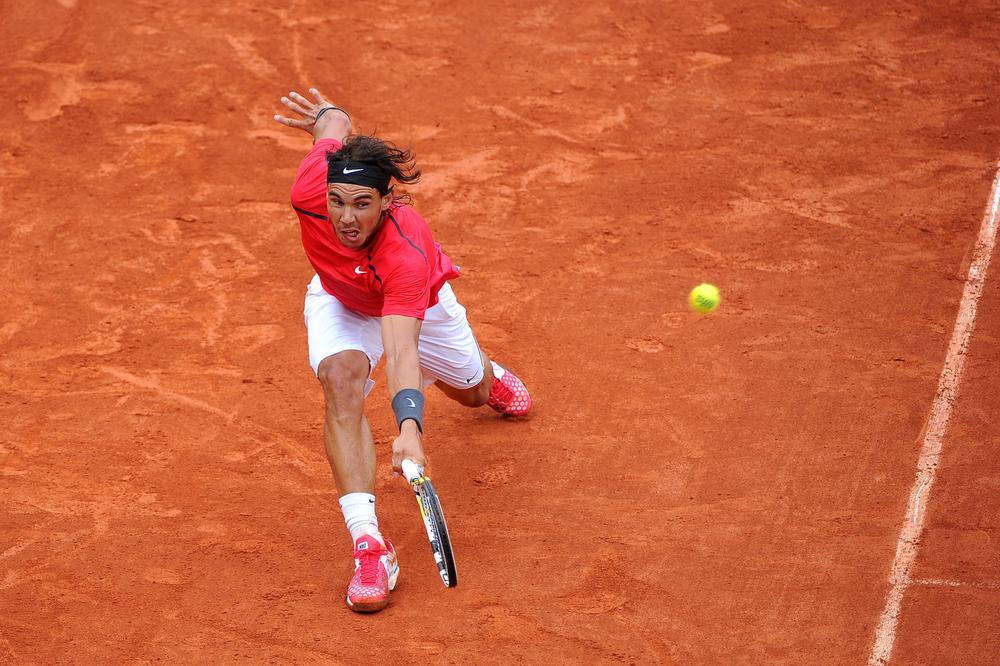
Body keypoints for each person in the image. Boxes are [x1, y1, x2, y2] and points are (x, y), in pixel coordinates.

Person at [272, 88, 532, 613]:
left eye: (362, 204)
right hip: (341, 295)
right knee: (340, 382)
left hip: (410, 303)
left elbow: (401, 348)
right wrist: (326, 118)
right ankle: (369, 545)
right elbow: (333, 126)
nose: (346, 218)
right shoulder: (308, 189)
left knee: (473, 393)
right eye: (338, 202)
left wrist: (409, 431)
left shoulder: (406, 251)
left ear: (388, 203)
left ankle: (485, 373)